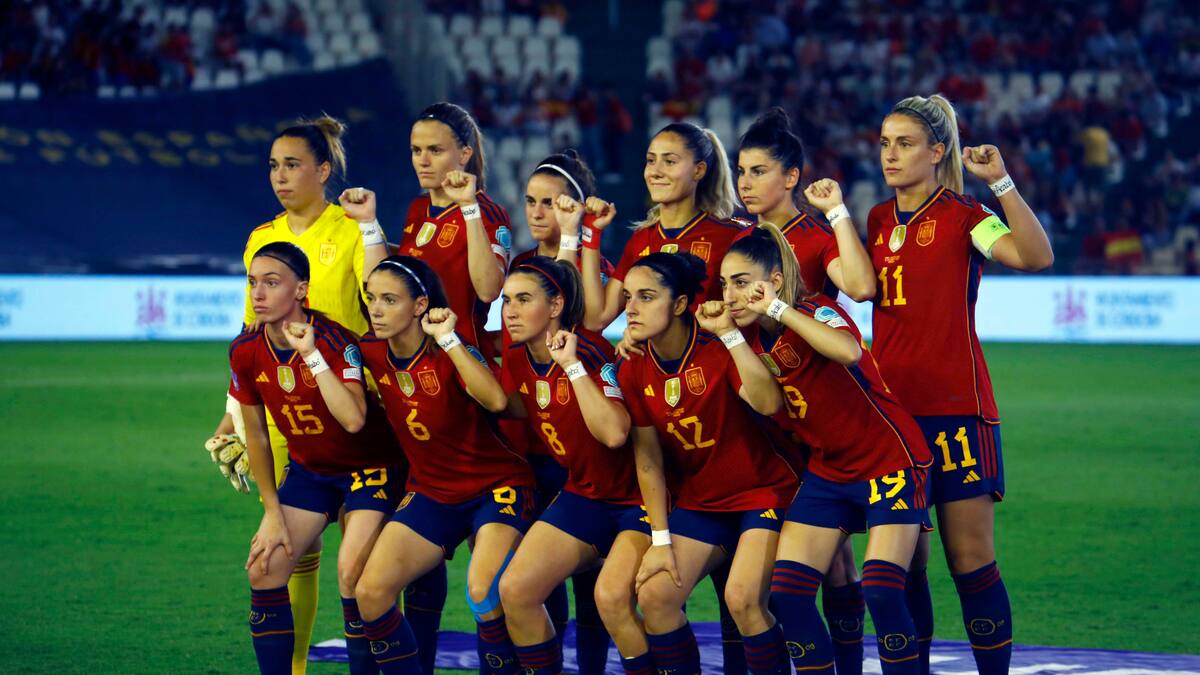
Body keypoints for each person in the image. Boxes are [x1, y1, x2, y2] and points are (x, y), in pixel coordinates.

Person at [869, 94, 1054, 674]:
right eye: (884, 144)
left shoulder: (964, 216)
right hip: (890, 417)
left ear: (936, 151)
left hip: (955, 409)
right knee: (906, 565)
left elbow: (1034, 256)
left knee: (969, 560)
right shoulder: (874, 220)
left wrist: (1000, 182)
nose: (890, 155)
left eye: (904, 144)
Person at [208, 115, 391, 675]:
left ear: (324, 170)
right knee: (292, 549)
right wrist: (231, 414)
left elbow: (382, 295)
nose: (280, 177)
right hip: (289, 409)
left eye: (292, 165)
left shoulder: (347, 227)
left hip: (354, 402)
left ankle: (381, 655)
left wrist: (370, 228)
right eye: (273, 166)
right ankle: (296, 669)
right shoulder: (262, 238)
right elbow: (251, 339)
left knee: (364, 565)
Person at [717, 224, 934, 675]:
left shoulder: (817, 308)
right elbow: (768, 402)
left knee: (881, 589)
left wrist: (780, 309)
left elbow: (849, 351)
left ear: (774, 280)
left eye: (741, 282)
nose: (730, 294)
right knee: (789, 595)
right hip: (830, 472)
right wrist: (732, 337)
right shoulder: (749, 339)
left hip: (889, 459)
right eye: (725, 284)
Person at [735, 107, 877, 674]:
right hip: (760, 411)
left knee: (836, 561)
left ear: (791, 177)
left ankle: (843, 665)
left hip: (813, 415)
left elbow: (862, 287)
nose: (745, 183)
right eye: (741, 171)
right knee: (771, 568)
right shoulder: (739, 239)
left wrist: (838, 213)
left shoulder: (814, 239)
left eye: (759, 171)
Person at [617, 252, 799, 675]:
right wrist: (660, 541)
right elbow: (648, 462)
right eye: (628, 296)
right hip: (704, 502)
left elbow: (770, 403)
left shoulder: (718, 345)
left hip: (763, 491)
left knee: (743, 600)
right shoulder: (633, 368)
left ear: (680, 304)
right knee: (655, 597)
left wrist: (730, 337)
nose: (630, 308)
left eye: (646, 296)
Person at [354, 255, 536, 675]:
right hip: (432, 492)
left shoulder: (450, 348)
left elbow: (496, 401)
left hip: (495, 486)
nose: (376, 309)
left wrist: (450, 339)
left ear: (419, 305)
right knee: (370, 592)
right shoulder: (370, 352)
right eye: (371, 299)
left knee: (483, 591)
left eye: (389, 300)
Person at [230, 242, 403, 675]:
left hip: (369, 467)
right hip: (311, 472)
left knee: (352, 574)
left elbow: (353, 419)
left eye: (272, 283)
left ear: (301, 289)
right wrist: (272, 510)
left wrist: (311, 356)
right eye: (253, 283)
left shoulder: (334, 340)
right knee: (264, 568)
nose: (258, 294)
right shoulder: (246, 350)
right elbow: (256, 434)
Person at [495, 257, 650, 675]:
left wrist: (572, 366)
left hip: (640, 498)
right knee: (515, 589)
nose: (510, 310)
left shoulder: (592, 351)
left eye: (524, 300)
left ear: (556, 305)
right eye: (507, 300)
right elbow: (506, 404)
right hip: (585, 492)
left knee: (612, 599)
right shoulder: (516, 355)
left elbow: (615, 434)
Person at [505, 151, 617, 673]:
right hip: (539, 442)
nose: (537, 211)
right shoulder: (520, 268)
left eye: (550, 202)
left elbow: (574, 310)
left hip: (591, 433)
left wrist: (578, 236)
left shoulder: (596, 268)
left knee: (595, 582)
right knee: (541, 574)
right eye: (530, 201)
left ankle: (592, 666)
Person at [579, 122, 743, 332]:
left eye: (669, 161)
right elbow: (596, 320)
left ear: (699, 170)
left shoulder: (730, 237)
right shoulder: (640, 240)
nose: (655, 172)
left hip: (709, 364)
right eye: (650, 160)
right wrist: (591, 233)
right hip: (649, 365)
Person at [398, 102, 512, 359]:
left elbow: (489, 290)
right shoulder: (418, 208)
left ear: (464, 154)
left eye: (435, 150)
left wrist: (469, 207)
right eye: (416, 150)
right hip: (414, 357)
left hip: (462, 358)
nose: (422, 161)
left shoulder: (489, 213)